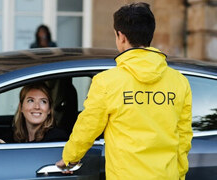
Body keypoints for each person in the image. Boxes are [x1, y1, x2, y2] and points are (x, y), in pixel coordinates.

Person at [56, 2, 193, 180]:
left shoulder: (106, 82)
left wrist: (70, 157)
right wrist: (179, 173)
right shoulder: (179, 82)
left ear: (120, 36)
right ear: (150, 34)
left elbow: (87, 127)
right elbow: (184, 138)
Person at [0, 82, 68, 147]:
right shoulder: (14, 135)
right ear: (21, 107)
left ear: (49, 110)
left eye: (43, 102)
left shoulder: (57, 138)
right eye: (30, 100)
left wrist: (5, 147)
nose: (37, 106)